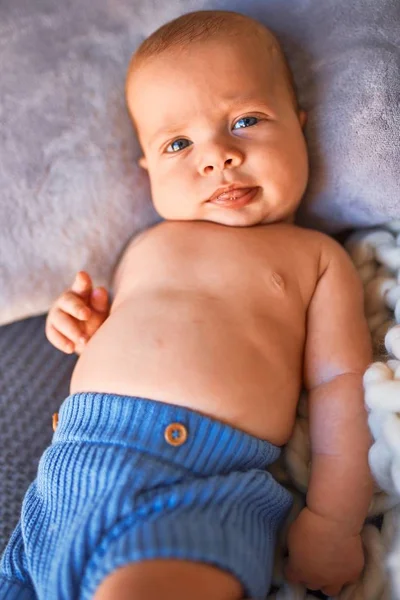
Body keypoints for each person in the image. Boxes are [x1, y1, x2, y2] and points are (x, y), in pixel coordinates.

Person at [0, 10, 373, 600]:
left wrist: (335, 521)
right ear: (148, 168)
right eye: (178, 143)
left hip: (196, 478)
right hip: (65, 477)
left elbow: (341, 385)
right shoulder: (143, 244)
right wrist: (76, 324)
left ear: (301, 127)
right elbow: (125, 331)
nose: (218, 155)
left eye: (246, 120)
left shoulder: (316, 257)